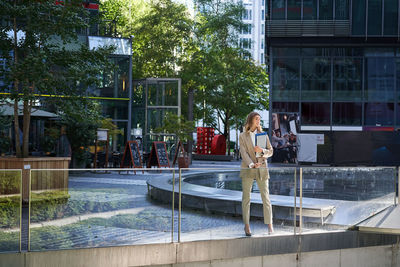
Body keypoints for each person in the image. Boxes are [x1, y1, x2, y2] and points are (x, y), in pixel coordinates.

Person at [239, 111, 274, 236]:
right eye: (256, 119)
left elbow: (271, 151)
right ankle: (247, 226)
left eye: (259, 119)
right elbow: (243, 153)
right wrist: (251, 164)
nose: (259, 121)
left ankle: (270, 225)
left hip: (262, 168)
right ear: (250, 121)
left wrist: (262, 151)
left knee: (266, 198)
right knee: (246, 198)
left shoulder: (263, 135)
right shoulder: (242, 136)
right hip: (248, 168)